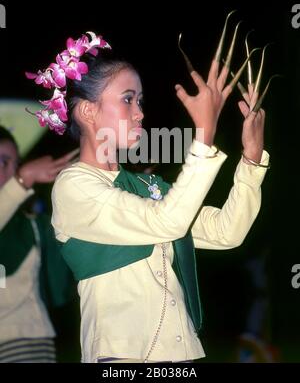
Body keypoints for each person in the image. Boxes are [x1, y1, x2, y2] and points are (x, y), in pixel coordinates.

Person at [25, 25, 270, 363]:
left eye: (140, 101)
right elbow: (167, 222)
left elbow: (226, 232)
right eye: (127, 99)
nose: (140, 112)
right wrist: (204, 136)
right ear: (88, 111)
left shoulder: (145, 187)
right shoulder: (74, 187)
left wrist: (252, 161)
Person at [0, 126, 77, 363]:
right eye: (2, 161)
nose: (11, 171)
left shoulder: (29, 222)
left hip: (39, 340)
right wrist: (24, 178)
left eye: (15, 162)